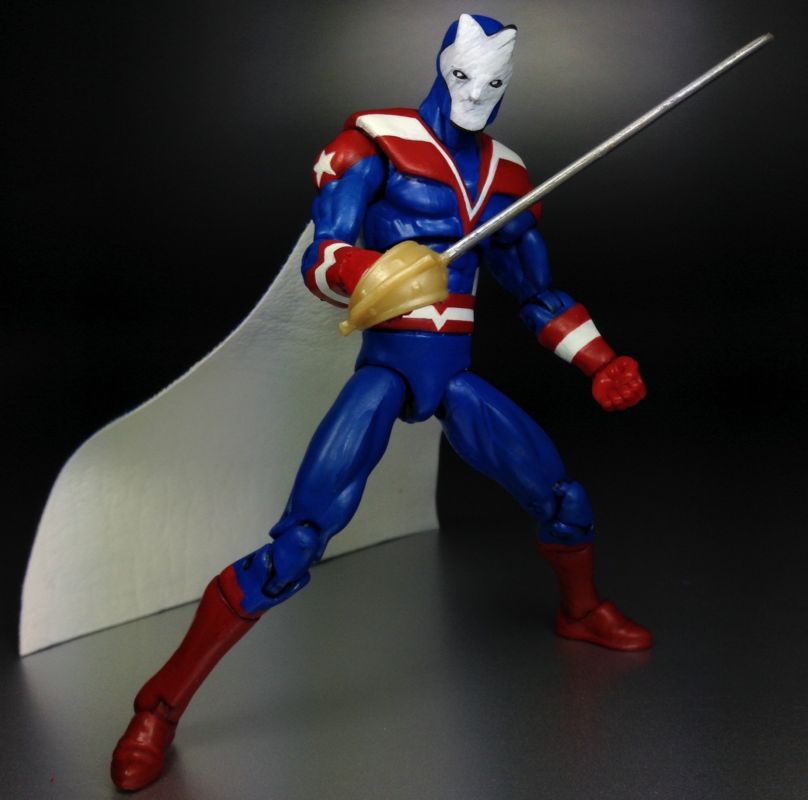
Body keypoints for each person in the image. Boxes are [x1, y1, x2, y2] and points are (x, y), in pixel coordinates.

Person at [111, 14, 651, 792]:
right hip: (388, 369)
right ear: (442, 66)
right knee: (297, 543)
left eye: (495, 84)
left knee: (563, 500)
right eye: (466, 78)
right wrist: (371, 270)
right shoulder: (374, 143)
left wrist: (600, 360)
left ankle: (581, 610)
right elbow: (323, 256)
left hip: (452, 374)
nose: (478, 96)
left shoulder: (506, 176)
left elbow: (536, 293)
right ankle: (159, 707)